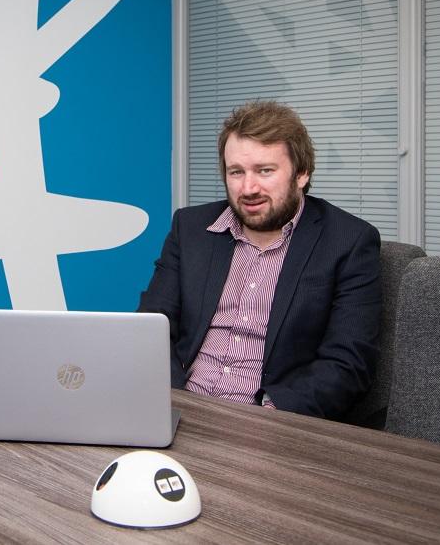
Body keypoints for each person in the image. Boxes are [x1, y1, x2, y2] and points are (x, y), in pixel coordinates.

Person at [139, 100, 381, 419]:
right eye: (236, 172)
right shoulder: (191, 228)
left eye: (265, 171)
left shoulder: (348, 241)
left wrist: (270, 413)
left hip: (270, 420)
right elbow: (152, 327)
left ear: (301, 173)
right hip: (181, 407)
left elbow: (348, 363)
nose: (248, 188)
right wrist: (171, 399)